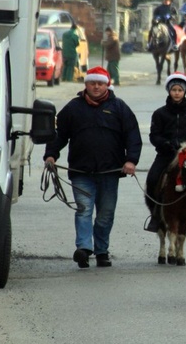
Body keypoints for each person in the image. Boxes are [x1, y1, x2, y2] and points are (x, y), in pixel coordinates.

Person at [43, 66, 142, 268]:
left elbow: (132, 135)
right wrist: (51, 154)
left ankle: (102, 251)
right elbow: (59, 134)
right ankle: (84, 249)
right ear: (86, 84)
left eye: (100, 83)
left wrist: (131, 160)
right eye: (92, 83)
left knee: (105, 214)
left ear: (107, 85)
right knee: (84, 209)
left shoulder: (119, 107)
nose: (96, 87)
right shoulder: (73, 108)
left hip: (110, 172)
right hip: (81, 172)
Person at [145, 72, 186, 232]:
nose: (177, 93)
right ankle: (155, 215)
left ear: (185, 92)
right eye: (174, 89)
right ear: (169, 91)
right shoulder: (160, 113)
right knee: (153, 179)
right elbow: (154, 136)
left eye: (180, 90)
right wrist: (166, 143)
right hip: (166, 154)